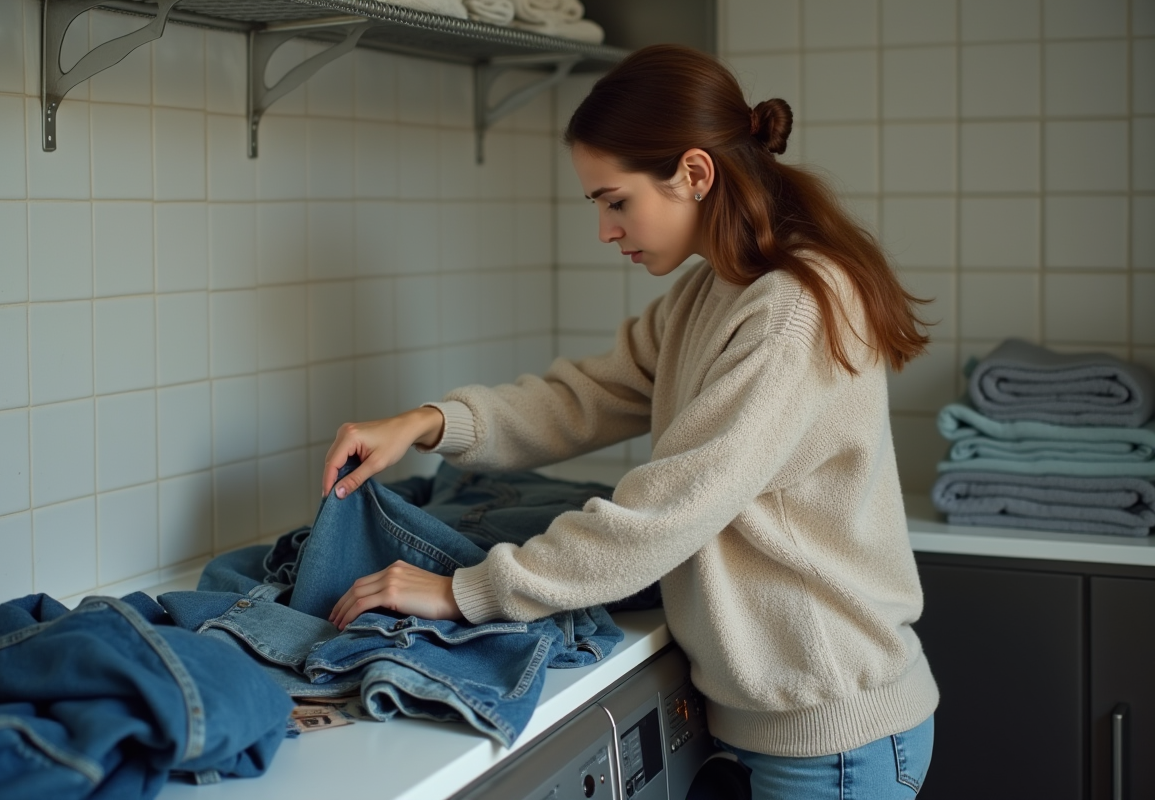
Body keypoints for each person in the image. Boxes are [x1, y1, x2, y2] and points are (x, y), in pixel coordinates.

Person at [321, 44, 938, 800]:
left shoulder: (790, 311)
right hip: (785, 728)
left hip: (835, 738)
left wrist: (466, 592)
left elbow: (665, 513)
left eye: (615, 201)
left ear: (695, 174)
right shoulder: (709, 298)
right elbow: (581, 398)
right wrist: (426, 423)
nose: (608, 231)